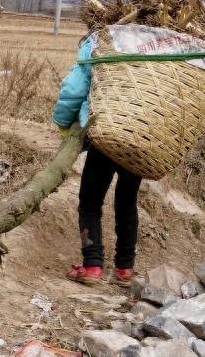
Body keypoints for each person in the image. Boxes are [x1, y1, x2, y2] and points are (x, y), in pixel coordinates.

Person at [53, 34, 141, 285]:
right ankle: (125, 269)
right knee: (127, 202)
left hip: (107, 131)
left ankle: (92, 266)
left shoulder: (101, 41)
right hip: (140, 136)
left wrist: (62, 121)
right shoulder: (158, 46)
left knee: (90, 202)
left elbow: (74, 88)